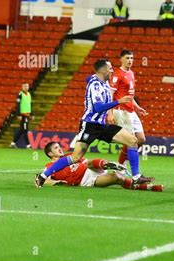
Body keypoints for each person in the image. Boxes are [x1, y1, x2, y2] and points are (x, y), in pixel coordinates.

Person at [34, 59, 138, 188]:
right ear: (103, 70)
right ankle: (43, 176)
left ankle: (136, 177)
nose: (112, 70)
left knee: (133, 141)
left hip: (102, 125)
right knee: (76, 157)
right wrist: (119, 101)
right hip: (90, 125)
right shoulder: (95, 85)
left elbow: (89, 78)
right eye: (110, 68)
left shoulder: (104, 82)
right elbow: (98, 108)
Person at [108, 50, 154, 185]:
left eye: (132, 58)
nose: (130, 60)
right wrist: (110, 113)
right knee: (132, 141)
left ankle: (120, 166)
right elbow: (111, 95)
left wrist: (137, 107)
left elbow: (130, 95)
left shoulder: (131, 73)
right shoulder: (117, 75)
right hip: (120, 111)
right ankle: (136, 176)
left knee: (141, 139)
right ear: (121, 59)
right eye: (127, 58)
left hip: (130, 110)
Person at [42, 142, 163, 191]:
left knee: (88, 162)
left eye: (59, 146)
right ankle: (147, 187)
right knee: (116, 177)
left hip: (89, 168)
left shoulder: (69, 156)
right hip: (86, 180)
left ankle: (110, 164)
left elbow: (86, 162)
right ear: (50, 153)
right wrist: (58, 183)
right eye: (56, 148)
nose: (59, 149)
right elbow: (43, 180)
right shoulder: (49, 166)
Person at [10, 83, 33, 149]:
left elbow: (30, 104)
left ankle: (13, 143)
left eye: (27, 86)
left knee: (22, 130)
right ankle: (28, 145)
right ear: (22, 87)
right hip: (23, 114)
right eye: (25, 86)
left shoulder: (29, 94)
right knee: (25, 130)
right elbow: (18, 105)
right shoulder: (20, 94)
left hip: (27, 114)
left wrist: (32, 114)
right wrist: (18, 114)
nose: (26, 87)